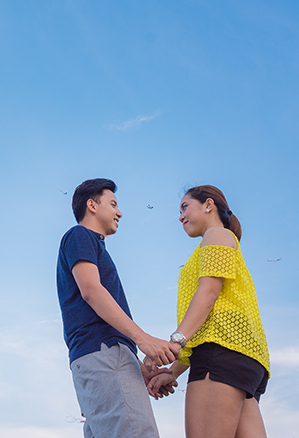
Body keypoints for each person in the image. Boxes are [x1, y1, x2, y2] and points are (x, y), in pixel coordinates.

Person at [57, 178, 180, 438]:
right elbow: (90, 291)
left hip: (100, 356)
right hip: (103, 355)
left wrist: (138, 366)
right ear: (92, 205)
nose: (119, 212)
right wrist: (143, 340)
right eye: (113, 204)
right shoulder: (80, 235)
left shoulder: (91, 244)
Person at [147, 185, 270, 438]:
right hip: (245, 362)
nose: (180, 216)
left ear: (208, 205)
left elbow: (208, 294)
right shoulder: (221, 240)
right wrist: (173, 372)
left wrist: (176, 341)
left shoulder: (216, 235)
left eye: (185, 207)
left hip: (220, 356)